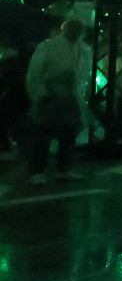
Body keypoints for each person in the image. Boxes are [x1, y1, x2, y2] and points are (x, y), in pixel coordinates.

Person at [24, 16, 87, 185]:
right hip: (50, 96)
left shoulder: (80, 49)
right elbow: (34, 74)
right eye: (73, 28)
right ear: (65, 29)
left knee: (67, 135)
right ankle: (38, 171)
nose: (75, 32)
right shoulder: (48, 46)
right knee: (43, 134)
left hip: (68, 96)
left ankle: (63, 169)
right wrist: (40, 93)